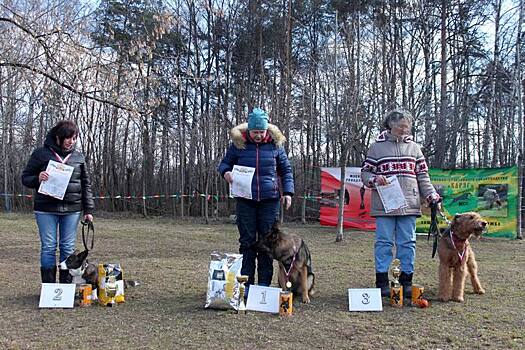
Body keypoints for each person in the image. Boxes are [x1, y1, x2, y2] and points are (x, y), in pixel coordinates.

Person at [361, 109, 439, 298]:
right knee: (383, 242)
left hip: (409, 203)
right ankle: (382, 282)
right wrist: (375, 179)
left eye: (407, 127)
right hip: (384, 204)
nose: (404, 130)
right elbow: (365, 174)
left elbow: (422, 176)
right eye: (400, 126)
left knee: (408, 243)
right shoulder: (376, 148)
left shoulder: (415, 149)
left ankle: (406, 281)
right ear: (390, 125)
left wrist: (431, 195)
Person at [218, 108, 294, 293]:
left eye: (261, 131)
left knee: (267, 243)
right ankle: (247, 285)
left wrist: (288, 193)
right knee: (247, 242)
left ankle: (264, 287)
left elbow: (286, 170)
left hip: (270, 200)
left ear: (267, 130)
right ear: (249, 131)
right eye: (255, 132)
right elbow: (224, 164)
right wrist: (226, 173)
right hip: (245, 200)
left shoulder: (276, 146)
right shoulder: (238, 145)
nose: (258, 135)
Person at [22, 120, 95, 283]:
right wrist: (37, 178)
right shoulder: (40, 154)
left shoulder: (78, 157)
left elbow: (86, 184)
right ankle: (48, 287)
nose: (71, 141)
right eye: (68, 138)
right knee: (48, 247)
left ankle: (65, 287)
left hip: (72, 210)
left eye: (74, 138)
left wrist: (88, 210)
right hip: (45, 209)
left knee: (67, 248)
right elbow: (25, 178)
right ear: (58, 137)